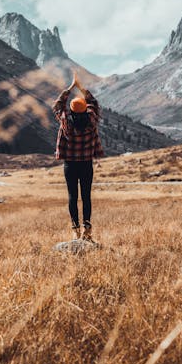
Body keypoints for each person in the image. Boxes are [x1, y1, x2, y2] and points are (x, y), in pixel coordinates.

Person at [52, 72, 104, 241]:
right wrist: (81, 87)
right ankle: (87, 230)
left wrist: (70, 88)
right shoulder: (92, 119)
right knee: (86, 197)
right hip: (86, 164)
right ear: (85, 109)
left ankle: (75, 229)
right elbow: (94, 103)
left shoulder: (66, 120)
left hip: (70, 165)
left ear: (72, 110)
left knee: (72, 197)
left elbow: (58, 106)